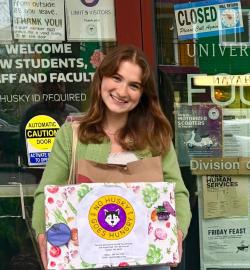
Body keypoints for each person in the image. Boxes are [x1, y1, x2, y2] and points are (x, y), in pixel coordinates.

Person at [31, 45, 191, 270]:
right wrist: (43, 236)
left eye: (133, 85)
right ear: (102, 78)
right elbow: (45, 192)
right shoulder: (72, 135)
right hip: (88, 261)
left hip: (148, 262)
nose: (122, 91)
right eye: (116, 78)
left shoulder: (156, 136)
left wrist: (177, 232)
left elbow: (178, 193)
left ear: (142, 93)